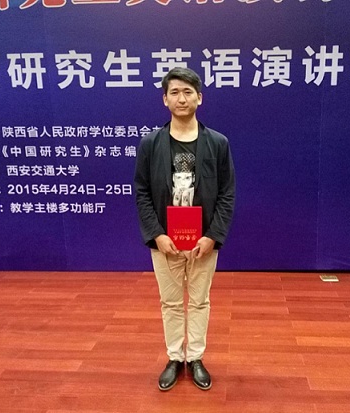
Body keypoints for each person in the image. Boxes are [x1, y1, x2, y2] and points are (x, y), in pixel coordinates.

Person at [134, 67, 235, 391]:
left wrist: (213, 236)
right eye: (174, 92)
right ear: (165, 99)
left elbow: (227, 193)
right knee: (171, 302)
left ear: (199, 98)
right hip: (165, 240)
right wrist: (157, 234)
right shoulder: (151, 143)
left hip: (203, 241)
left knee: (200, 301)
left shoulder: (217, 143)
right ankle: (175, 358)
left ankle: (196, 357)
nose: (181, 98)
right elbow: (141, 192)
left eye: (188, 92)